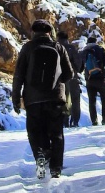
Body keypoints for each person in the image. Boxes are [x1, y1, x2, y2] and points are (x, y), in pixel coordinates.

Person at [12, 19, 74, 179]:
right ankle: (56, 168)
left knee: (34, 131)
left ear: (33, 32)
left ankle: (41, 155)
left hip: (33, 99)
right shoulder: (58, 47)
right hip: (55, 98)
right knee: (56, 133)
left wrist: (16, 98)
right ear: (49, 32)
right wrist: (57, 80)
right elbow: (70, 73)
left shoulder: (27, 48)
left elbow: (18, 75)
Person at [80, 33, 105, 126]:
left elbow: (80, 68)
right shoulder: (100, 49)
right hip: (102, 79)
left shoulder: (84, 51)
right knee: (104, 100)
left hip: (90, 79)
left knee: (92, 101)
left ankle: (94, 121)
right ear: (96, 42)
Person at [58, 30, 83, 127]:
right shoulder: (72, 48)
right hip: (72, 77)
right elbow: (79, 64)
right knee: (75, 99)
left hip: (59, 78)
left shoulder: (56, 48)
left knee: (61, 99)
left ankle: (64, 120)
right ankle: (75, 121)